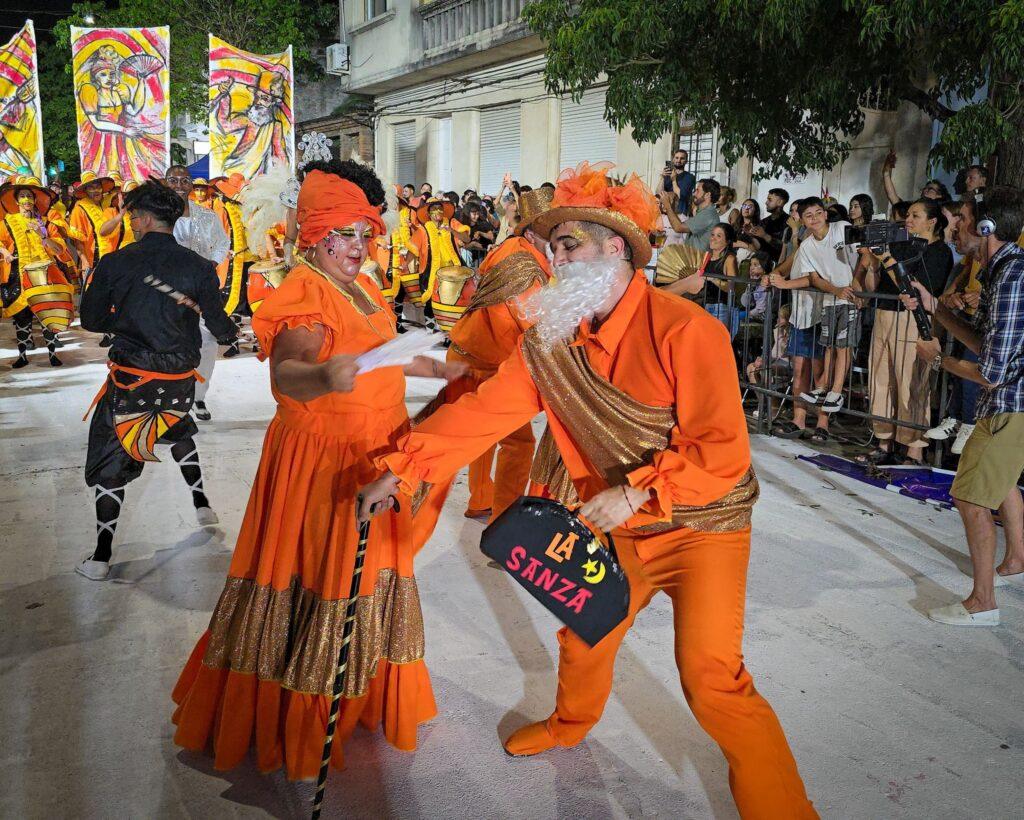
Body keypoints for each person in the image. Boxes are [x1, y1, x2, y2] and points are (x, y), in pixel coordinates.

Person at [358, 162, 817, 819]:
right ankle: (570, 724)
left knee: (712, 679)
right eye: (553, 246)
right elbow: (484, 413)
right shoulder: (550, 341)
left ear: (615, 248)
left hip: (703, 526)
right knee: (585, 636)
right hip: (619, 528)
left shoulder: (689, 330)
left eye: (569, 244)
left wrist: (635, 493)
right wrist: (403, 468)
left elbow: (721, 450)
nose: (556, 258)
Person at [171, 161, 465, 779]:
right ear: (313, 236)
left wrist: (442, 370)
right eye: (344, 235)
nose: (358, 247)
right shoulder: (305, 291)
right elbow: (287, 373)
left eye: (365, 233)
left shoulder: (362, 287)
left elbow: (384, 355)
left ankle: (356, 695)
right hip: (327, 460)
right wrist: (324, 376)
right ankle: (301, 719)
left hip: (378, 448)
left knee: (371, 575)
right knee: (324, 577)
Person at [75, 182, 237, 581]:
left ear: (146, 219)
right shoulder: (199, 267)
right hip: (178, 379)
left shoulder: (115, 262)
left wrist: (127, 322)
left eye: (133, 217)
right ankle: (202, 504)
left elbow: (92, 320)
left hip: (132, 378)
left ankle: (100, 558)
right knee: (176, 424)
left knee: (112, 458)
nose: (131, 224)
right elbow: (221, 327)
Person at [903, 186, 1024, 626]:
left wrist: (938, 360)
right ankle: (1015, 561)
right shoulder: (1001, 270)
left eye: (963, 219)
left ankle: (982, 603)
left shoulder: (1012, 277)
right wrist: (936, 310)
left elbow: (990, 371)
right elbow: (984, 343)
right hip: (1008, 403)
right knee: (1000, 485)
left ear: (986, 227)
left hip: (1010, 404)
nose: (954, 226)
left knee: (970, 497)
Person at [444, 186, 554, 522]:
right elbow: (535, 327)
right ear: (532, 233)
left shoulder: (508, 249)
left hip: (465, 355)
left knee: (483, 436)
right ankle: (505, 520)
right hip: (488, 364)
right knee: (519, 444)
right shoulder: (525, 266)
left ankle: (480, 499)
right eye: (553, 233)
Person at [860, 199, 953, 464]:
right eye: (908, 215)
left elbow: (915, 288)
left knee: (911, 382)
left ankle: (914, 449)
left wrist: (887, 258)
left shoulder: (939, 252)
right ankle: (884, 440)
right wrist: (873, 261)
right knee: (880, 379)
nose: (908, 220)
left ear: (932, 221)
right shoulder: (901, 245)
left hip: (913, 319)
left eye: (915, 215)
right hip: (884, 314)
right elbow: (877, 284)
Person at [165, 165, 234, 421]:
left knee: (207, 342)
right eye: (173, 180)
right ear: (166, 183)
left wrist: (211, 264)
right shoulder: (156, 215)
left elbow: (223, 243)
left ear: (191, 185)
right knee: (169, 342)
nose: (179, 185)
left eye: (184, 180)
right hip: (167, 290)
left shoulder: (207, 215)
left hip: (202, 289)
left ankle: (198, 395)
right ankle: (171, 397)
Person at [788, 199, 862, 430]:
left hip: (850, 297)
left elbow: (864, 255)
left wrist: (857, 285)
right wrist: (835, 290)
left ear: (825, 214)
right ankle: (824, 387)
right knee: (829, 345)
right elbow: (814, 278)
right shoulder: (807, 246)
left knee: (843, 346)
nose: (815, 218)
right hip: (830, 299)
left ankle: (836, 390)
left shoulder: (842, 228)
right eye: (808, 215)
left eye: (818, 213)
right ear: (802, 220)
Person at [0, 176, 75, 368]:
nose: (26, 199)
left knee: (47, 315)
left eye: (29, 196)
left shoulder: (46, 223)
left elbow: (59, 249)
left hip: (46, 275)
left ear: (34, 200)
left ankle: (52, 355)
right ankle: (22, 356)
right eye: (22, 196)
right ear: (17, 201)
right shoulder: (8, 222)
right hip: (18, 275)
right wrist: (5, 251)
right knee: (22, 317)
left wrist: (43, 236)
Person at [212, 173, 256, 356]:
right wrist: (224, 249)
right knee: (233, 301)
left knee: (252, 303)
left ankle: (257, 341)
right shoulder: (222, 205)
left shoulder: (247, 205)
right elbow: (217, 231)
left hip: (251, 258)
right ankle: (234, 343)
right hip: (233, 260)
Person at [413, 195, 462, 330]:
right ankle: (430, 328)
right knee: (430, 298)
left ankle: (448, 329)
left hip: (451, 269)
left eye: (440, 208)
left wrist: (452, 231)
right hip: (431, 270)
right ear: (429, 213)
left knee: (450, 299)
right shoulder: (423, 229)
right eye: (434, 209)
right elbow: (413, 248)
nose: (438, 211)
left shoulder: (451, 223)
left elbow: (466, 239)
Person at [660, 177, 720, 252]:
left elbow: (678, 227)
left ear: (707, 195)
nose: (694, 193)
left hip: (699, 258)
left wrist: (667, 205)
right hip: (692, 257)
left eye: (697, 190)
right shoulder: (704, 212)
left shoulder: (708, 214)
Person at [882, 151, 950, 205]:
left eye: (930, 189)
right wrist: (886, 171)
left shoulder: (940, 215)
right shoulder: (913, 208)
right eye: (925, 188)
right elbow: (893, 197)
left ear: (939, 196)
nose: (925, 190)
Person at [660, 149, 696, 215]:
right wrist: (662, 177)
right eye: (677, 158)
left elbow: (681, 195)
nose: (678, 161)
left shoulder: (689, 177)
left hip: (680, 213)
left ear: (686, 161)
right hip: (665, 212)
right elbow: (659, 193)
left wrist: (674, 180)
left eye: (682, 158)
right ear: (673, 159)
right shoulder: (667, 175)